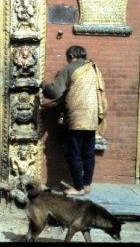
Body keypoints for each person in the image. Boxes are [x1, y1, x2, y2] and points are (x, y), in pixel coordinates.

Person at [41, 45, 107, 196]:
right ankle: (86, 183)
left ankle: (78, 187)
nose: (67, 59)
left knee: (74, 153)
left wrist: (44, 84)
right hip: (92, 117)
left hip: (76, 117)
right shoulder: (93, 69)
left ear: (71, 55)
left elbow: (54, 92)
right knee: (88, 153)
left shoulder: (69, 68)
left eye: (67, 56)